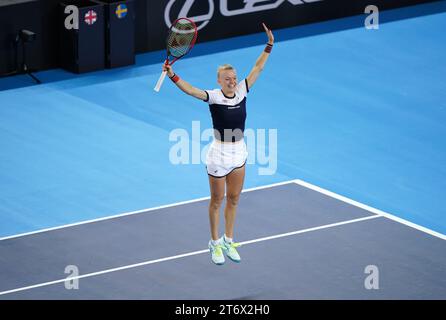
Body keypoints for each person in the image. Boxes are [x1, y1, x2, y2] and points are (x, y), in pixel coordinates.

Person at [163, 23, 274, 265]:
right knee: (217, 200)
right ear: (219, 81)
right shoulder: (214, 96)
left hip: (239, 152)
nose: (232, 81)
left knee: (234, 199)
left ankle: (228, 239)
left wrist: (269, 46)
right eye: (228, 79)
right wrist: (173, 76)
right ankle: (213, 243)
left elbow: (258, 68)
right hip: (219, 154)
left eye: (234, 78)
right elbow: (191, 91)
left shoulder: (243, 90)